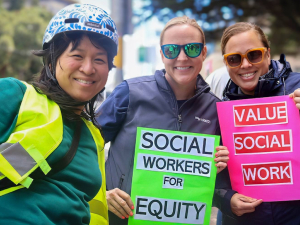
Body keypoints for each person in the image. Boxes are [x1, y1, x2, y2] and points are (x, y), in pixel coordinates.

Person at [96, 16, 230, 225]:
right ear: (162, 55)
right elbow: (85, 145)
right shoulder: (130, 92)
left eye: (192, 49)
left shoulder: (216, 109)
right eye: (171, 50)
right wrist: (101, 190)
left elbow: (218, 185)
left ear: (204, 52)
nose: (182, 57)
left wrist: (220, 167)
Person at [0, 4, 118, 225]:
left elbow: (94, 212)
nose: (88, 68)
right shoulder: (14, 95)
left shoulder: (95, 138)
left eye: (99, 59)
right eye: (77, 55)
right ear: (52, 60)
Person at [219, 22, 300, 225]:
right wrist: (226, 199)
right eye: (234, 59)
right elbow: (206, 170)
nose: (245, 65)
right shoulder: (219, 108)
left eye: (253, 55)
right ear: (226, 63)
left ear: (267, 53)